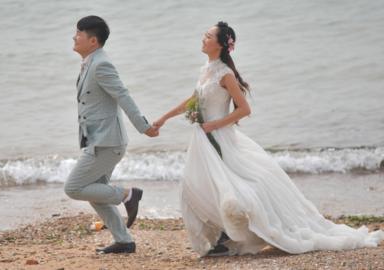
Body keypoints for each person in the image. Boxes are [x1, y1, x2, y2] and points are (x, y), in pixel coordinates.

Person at [153, 21, 384, 257]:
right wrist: (163, 118)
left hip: (219, 137)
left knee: (230, 185)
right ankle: (225, 234)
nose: (203, 38)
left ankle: (231, 235)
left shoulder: (225, 74)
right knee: (202, 185)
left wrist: (214, 124)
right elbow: (192, 100)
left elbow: (244, 109)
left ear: (222, 44)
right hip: (203, 139)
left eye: (208, 35)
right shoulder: (206, 69)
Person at [65, 15, 159, 254]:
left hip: (107, 142)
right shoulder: (91, 61)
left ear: (93, 41)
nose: (74, 37)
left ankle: (128, 195)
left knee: (74, 187)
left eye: (79, 34)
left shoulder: (101, 65)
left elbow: (123, 96)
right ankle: (124, 241)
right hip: (98, 139)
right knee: (96, 192)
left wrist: (144, 126)